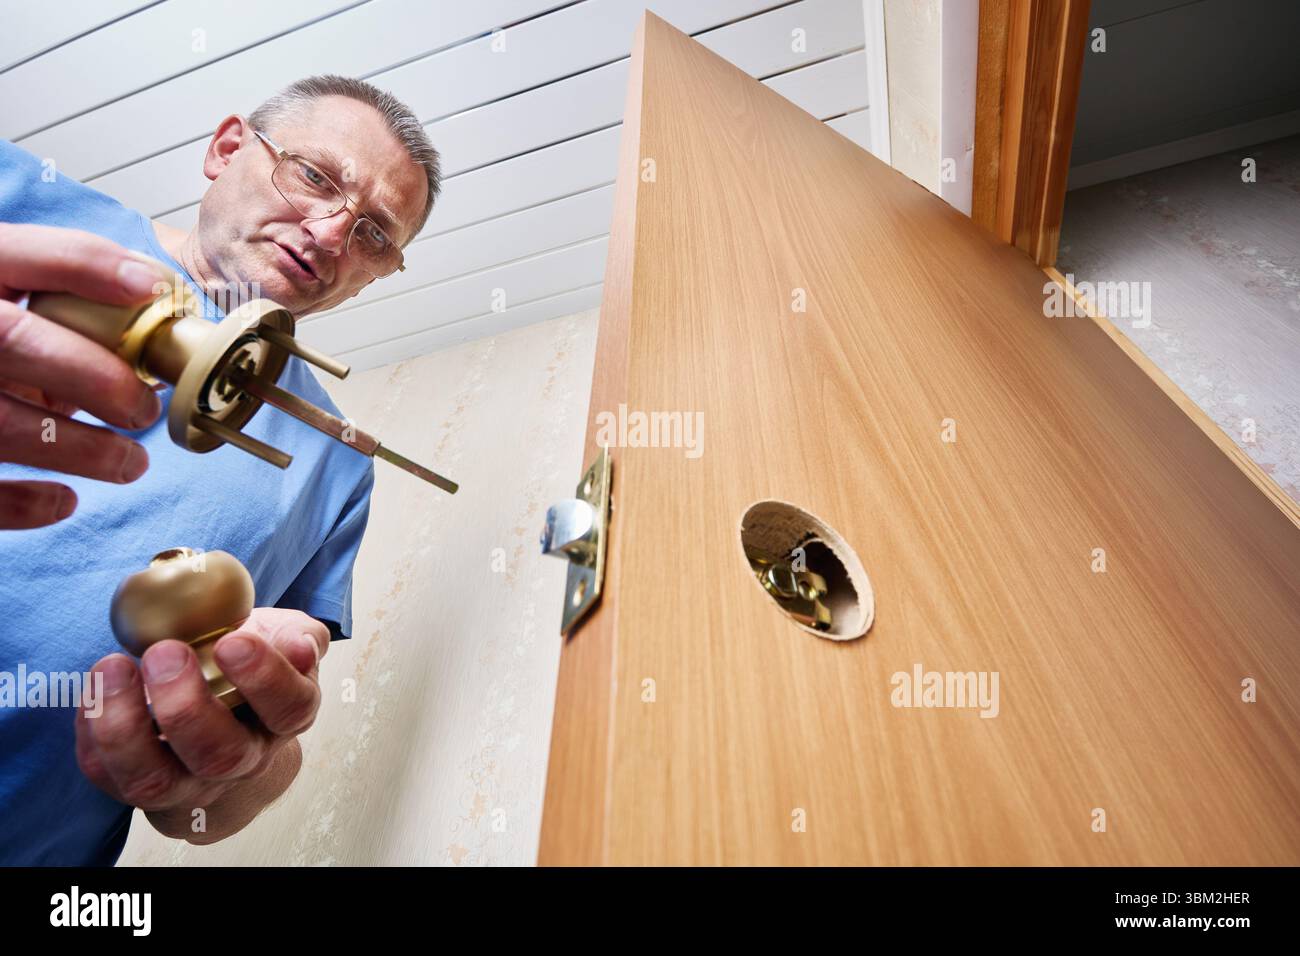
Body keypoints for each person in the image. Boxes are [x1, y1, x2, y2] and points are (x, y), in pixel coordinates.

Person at [0, 75, 441, 864]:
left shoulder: (339, 465)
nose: (332, 235)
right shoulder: (21, 196)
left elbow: (227, 785)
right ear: (227, 147)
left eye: (375, 234)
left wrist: (239, 768)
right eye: (316, 176)